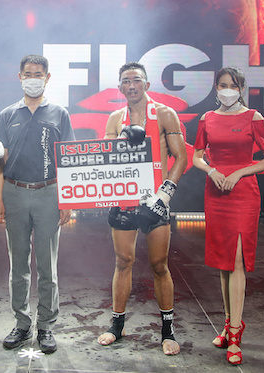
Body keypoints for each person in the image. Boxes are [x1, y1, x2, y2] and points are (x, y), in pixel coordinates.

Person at [96, 62, 188, 355]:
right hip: (125, 199)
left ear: (146, 84)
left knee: (159, 264)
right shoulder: (115, 119)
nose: (131, 85)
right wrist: (120, 143)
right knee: (123, 261)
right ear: (120, 87)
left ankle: (168, 330)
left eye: (136, 80)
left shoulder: (164, 114)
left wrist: (165, 195)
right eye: (126, 81)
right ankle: (117, 325)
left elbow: (181, 157)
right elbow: (106, 159)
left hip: (155, 199)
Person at [192, 66, 264, 366]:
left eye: (233, 85)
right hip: (216, 193)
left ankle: (237, 333)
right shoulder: (207, 118)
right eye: (222, 85)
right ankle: (228, 325)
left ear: (241, 89)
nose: (227, 90)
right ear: (216, 88)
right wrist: (212, 171)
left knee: (238, 261)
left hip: (243, 194)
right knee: (223, 261)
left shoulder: (254, 118)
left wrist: (240, 172)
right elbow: (197, 156)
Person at [0, 54, 75, 354]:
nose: (32, 79)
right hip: (14, 193)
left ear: (47, 78)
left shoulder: (59, 113)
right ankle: (22, 322)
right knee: (18, 264)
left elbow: (66, 160)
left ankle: (46, 325)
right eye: (27, 74)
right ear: (19, 77)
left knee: (47, 266)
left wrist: (67, 200)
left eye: (38, 74)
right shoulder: (7, 115)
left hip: (48, 194)